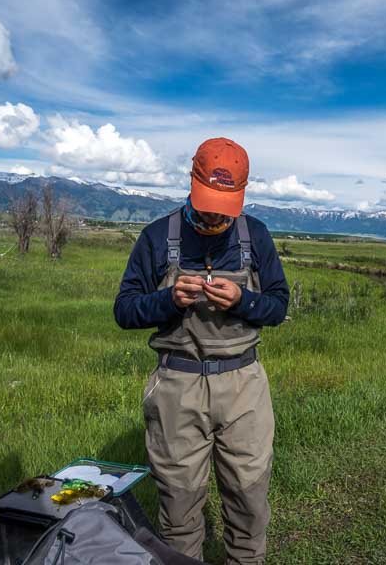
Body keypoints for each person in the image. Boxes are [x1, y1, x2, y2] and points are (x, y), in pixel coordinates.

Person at [114, 137, 288, 564]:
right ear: (191, 182)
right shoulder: (158, 236)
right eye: (208, 200)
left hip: (244, 385)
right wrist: (169, 299)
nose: (214, 214)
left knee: (249, 504)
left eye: (224, 206)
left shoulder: (256, 236)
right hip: (178, 384)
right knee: (178, 509)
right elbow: (124, 310)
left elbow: (278, 306)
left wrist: (244, 301)